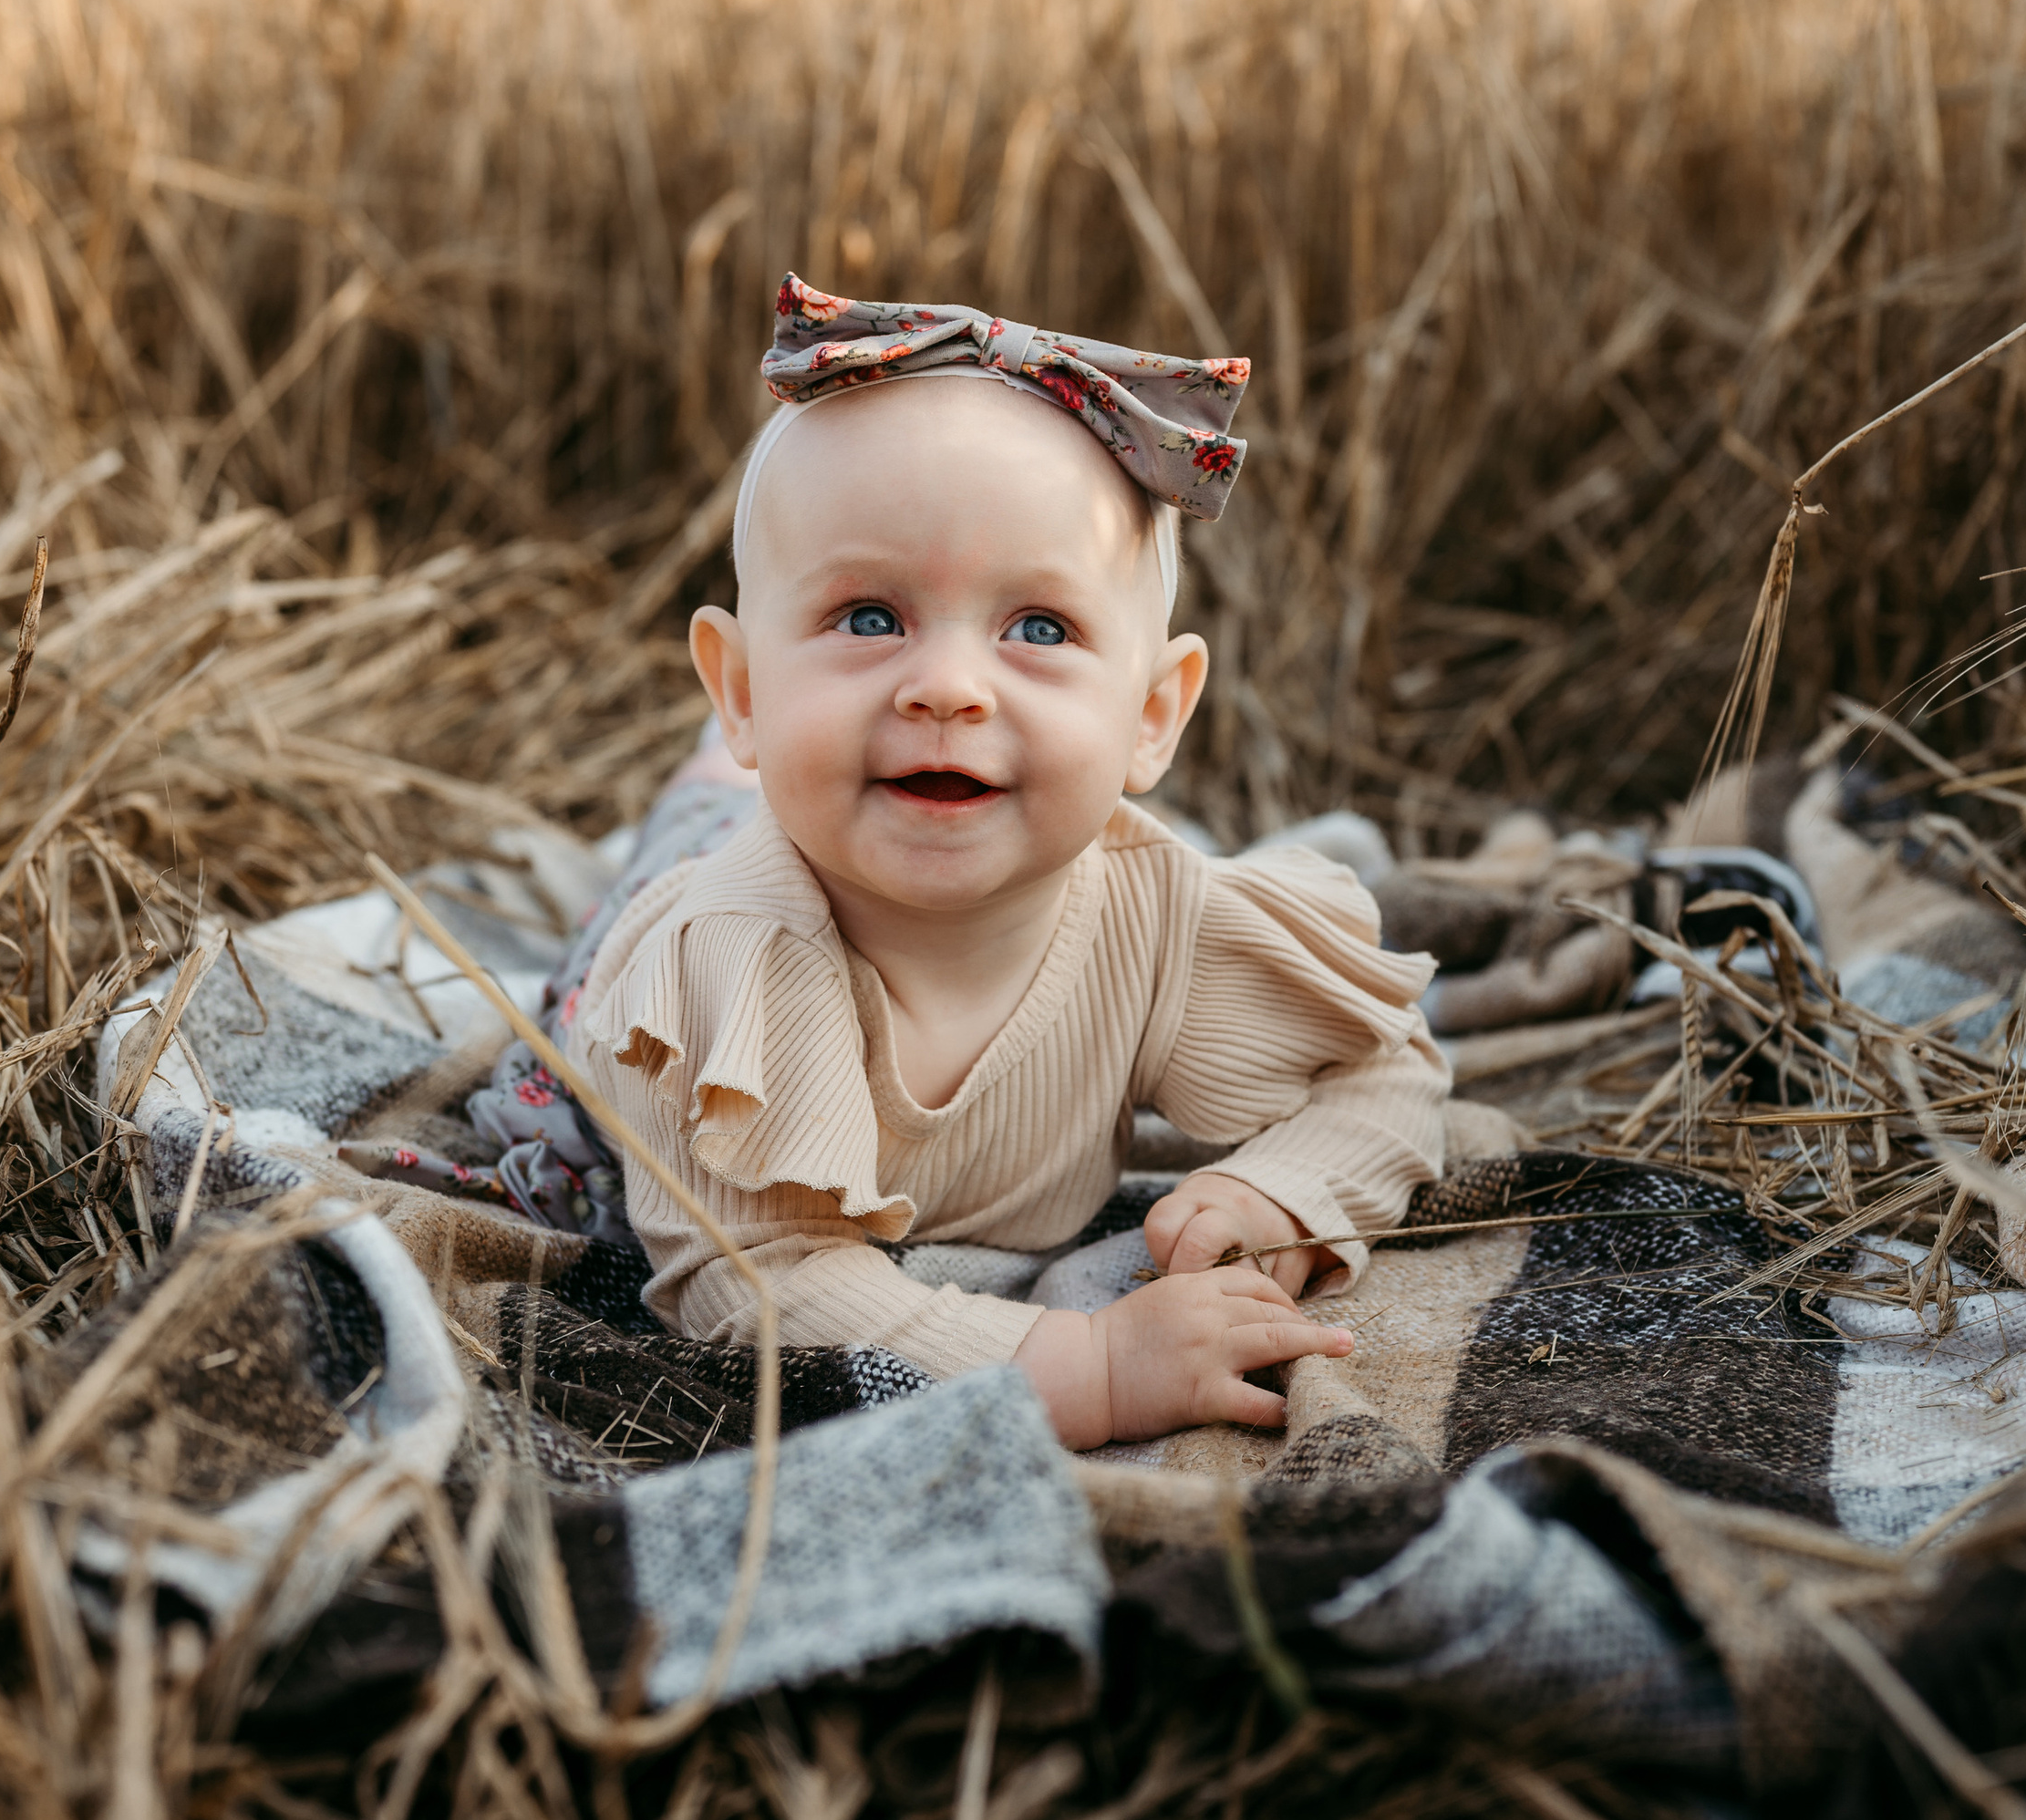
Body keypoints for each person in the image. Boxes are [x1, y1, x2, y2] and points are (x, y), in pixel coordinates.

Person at [571, 278, 1446, 1452]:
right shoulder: (722, 965)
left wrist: (1279, 1192)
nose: (949, 685)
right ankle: (714, 780)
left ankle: (755, 752)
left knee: (825, 777)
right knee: (690, 837)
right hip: (706, 895)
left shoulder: (1160, 922)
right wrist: (1085, 1366)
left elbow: (1388, 1067)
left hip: (876, 796)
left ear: (1152, 715)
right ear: (736, 685)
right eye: (869, 616)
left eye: (1038, 629)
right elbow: (759, 1285)